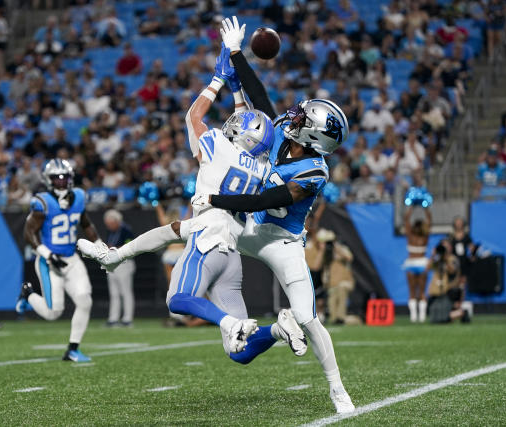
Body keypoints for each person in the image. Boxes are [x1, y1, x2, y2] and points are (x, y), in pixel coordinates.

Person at [80, 16, 355, 414]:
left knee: (310, 318)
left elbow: (265, 200)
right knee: (178, 228)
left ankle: (337, 388)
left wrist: (217, 200)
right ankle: (114, 255)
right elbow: (260, 99)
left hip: (280, 238)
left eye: (303, 119)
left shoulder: (313, 171)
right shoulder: (279, 136)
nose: (293, 116)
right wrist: (237, 54)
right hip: (244, 225)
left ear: (313, 137)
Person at [80, 47, 301, 357]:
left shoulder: (218, 146)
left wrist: (218, 79)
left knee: (177, 300)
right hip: (231, 249)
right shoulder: (264, 168)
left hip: (207, 237)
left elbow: (193, 115)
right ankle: (278, 329)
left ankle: (228, 322)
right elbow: (247, 123)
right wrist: (237, 88)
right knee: (240, 352)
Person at [15, 159, 101, 362]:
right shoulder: (43, 202)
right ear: (48, 180)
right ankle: (28, 294)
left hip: (71, 259)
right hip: (49, 261)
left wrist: (100, 245)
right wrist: (48, 255)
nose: (61, 181)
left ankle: (73, 349)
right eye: (57, 178)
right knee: (54, 313)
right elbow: (29, 234)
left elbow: (86, 223)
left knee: (85, 301)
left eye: (64, 177)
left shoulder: (79, 197)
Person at [103, 209, 135, 327]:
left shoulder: (126, 230)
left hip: (124, 263)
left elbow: (130, 245)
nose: (109, 226)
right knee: (114, 293)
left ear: (116, 221)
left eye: (110, 223)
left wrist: (114, 248)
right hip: (112, 264)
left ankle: (127, 318)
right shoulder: (110, 231)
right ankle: (113, 318)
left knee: (125, 292)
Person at [427, 240, 468, 323]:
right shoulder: (437, 260)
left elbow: (452, 271)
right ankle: (456, 313)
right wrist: (433, 256)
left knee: (440, 319)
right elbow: (427, 268)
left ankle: (461, 313)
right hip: (436, 293)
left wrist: (445, 259)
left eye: (447, 247)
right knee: (433, 319)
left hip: (448, 292)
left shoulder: (453, 259)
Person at [319, 229, 354, 325]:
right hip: (332, 284)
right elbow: (324, 267)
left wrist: (336, 247)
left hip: (345, 282)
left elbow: (349, 258)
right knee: (333, 316)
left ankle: (341, 318)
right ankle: (345, 319)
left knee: (342, 288)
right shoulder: (326, 253)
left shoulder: (342, 249)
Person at [403, 206, 431, 323]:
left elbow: (406, 221)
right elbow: (429, 221)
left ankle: (416, 316)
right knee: (420, 290)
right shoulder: (424, 237)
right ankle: (419, 316)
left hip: (415, 263)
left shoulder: (412, 236)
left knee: (413, 291)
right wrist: (425, 208)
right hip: (419, 263)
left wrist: (412, 208)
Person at [448, 216, 475, 290]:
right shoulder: (451, 237)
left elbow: (471, 247)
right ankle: (454, 299)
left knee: (463, 281)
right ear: (454, 225)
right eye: (457, 223)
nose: (459, 225)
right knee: (454, 280)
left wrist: (473, 255)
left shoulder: (466, 237)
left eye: (460, 223)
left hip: (464, 260)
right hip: (454, 261)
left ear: (463, 224)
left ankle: (461, 300)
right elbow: (449, 249)